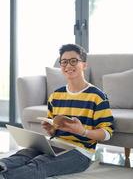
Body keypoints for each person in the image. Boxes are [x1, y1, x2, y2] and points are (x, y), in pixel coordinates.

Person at [0, 44, 114, 179]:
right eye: (64, 62)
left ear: (84, 65)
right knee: (22, 155)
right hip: (54, 145)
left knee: (39, 164)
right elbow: (54, 128)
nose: (68, 65)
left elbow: (107, 133)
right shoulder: (56, 95)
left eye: (73, 61)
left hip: (80, 153)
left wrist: (82, 131)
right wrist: (51, 130)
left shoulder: (97, 96)